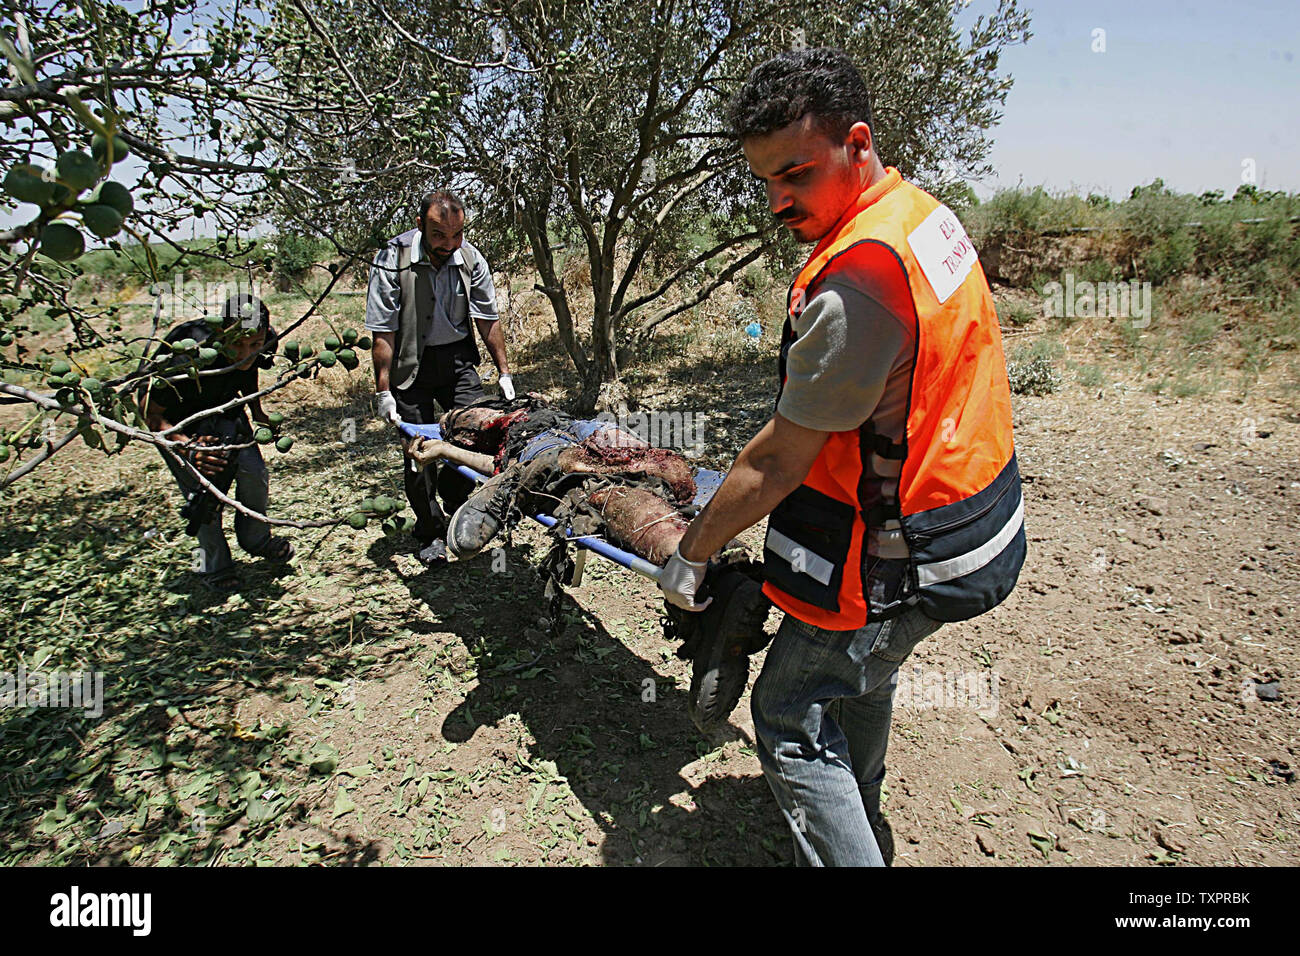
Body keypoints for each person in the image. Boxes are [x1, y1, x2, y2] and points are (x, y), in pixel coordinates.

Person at [658, 48, 1026, 866]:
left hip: (906, 550)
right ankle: (855, 809)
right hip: (977, 519)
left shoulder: (857, 281)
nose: (778, 200)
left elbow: (779, 461)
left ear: (858, 143)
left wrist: (692, 551)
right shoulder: (922, 218)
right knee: (865, 672)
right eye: (764, 181)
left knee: (788, 714)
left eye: (796, 173)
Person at [365, 189, 514, 567]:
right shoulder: (392, 259)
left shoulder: (470, 258)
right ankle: (429, 531)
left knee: (477, 435)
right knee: (418, 449)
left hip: (457, 359)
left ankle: (456, 500)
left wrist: (504, 371)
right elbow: (383, 332)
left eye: (456, 235)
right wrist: (384, 390)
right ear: (420, 227)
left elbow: (486, 317)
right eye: (438, 236)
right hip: (409, 362)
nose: (448, 244)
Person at [142, 292, 293, 594]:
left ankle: (257, 540)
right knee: (204, 498)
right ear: (222, 331)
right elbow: (150, 412)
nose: (244, 353)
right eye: (236, 344)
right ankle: (216, 566)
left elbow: (248, 370)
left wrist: (258, 411)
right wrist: (187, 446)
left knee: (254, 474)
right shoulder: (189, 352)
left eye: (254, 344)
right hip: (180, 422)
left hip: (225, 410)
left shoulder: (263, 340)